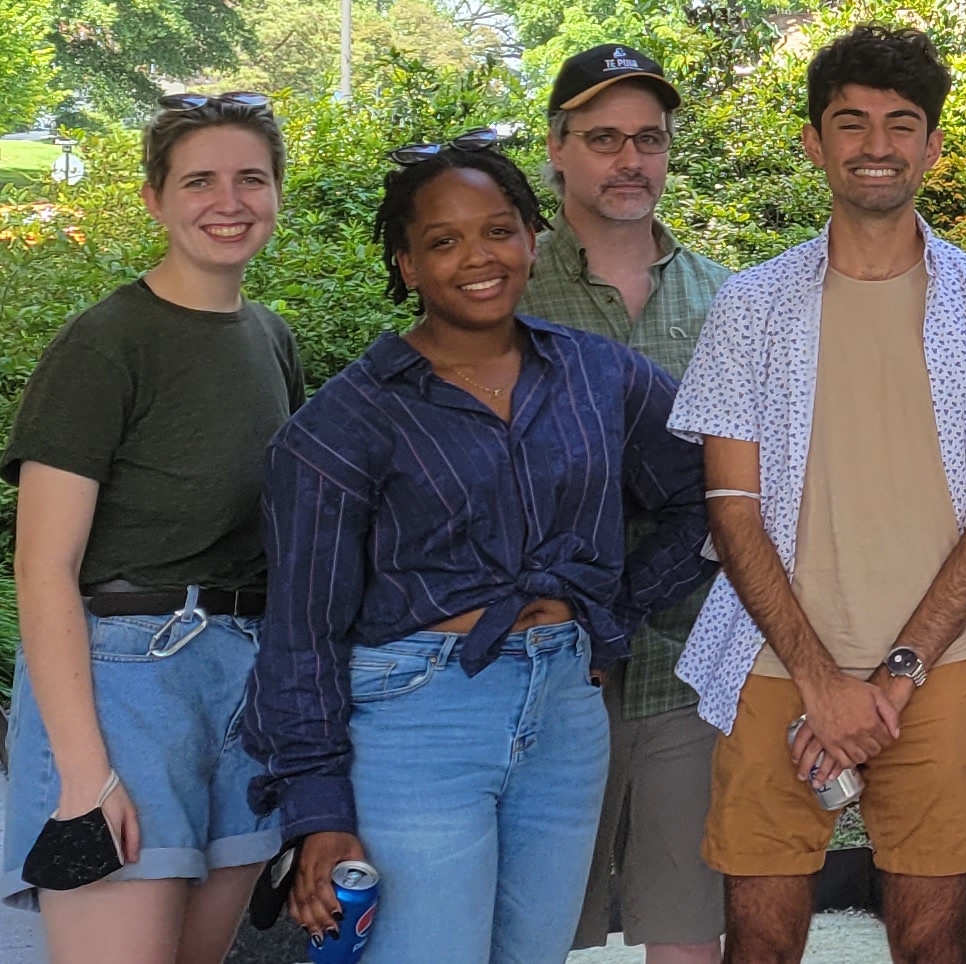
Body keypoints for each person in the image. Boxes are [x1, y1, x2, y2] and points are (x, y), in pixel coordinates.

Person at [242, 134, 714, 963]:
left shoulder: (597, 375)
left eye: (498, 230)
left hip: (567, 713)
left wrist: (613, 614)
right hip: (416, 721)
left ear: (534, 237)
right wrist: (317, 812)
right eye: (443, 241)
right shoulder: (344, 425)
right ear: (407, 265)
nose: (478, 258)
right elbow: (300, 635)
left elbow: (708, 491)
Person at [668, 26, 966, 964]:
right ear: (815, 142)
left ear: (932, 146)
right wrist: (820, 679)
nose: (876, 145)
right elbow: (731, 508)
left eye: (901, 124)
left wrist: (894, 675)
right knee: (758, 943)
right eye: (850, 123)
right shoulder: (751, 307)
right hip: (775, 668)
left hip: (940, 669)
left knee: (934, 944)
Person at [0, 90, 299, 964]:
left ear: (278, 190)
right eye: (199, 181)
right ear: (154, 199)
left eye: (251, 178)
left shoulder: (271, 340)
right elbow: (42, 570)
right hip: (124, 687)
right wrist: (86, 775)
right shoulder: (105, 344)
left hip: (242, 687)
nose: (229, 202)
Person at [518, 43, 739, 964]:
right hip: (541, 662)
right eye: (603, 137)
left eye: (648, 138)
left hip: (690, 663)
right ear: (558, 147)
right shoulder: (508, 289)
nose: (630, 159)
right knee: (532, 927)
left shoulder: (727, 297)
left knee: (685, 923)